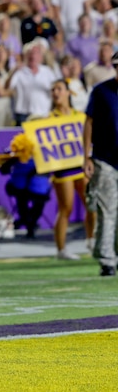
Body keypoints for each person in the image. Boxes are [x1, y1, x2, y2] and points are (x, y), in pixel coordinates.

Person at [83, 51, 118, 277]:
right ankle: (107, 259)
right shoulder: (101, 91)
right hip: (105, 158)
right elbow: (89, 122)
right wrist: (86, 155)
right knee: (107, 210)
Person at [49, 79, 89, 260]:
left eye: (59, 89)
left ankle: (91, 239)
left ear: (68, 93)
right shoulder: (48, 119)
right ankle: (61, 249)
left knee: (91, 204)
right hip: (63, 166)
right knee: (66, 207)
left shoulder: (80, 116)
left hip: (80, 163)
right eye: (53, 90)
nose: (56, 92)